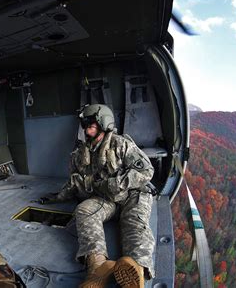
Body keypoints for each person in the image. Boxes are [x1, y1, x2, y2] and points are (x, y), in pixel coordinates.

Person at [39, 104, 156, 288]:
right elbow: (74, 182)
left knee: (133, 222)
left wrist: (116, 183)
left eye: (91, 125)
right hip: (106, 199)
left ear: (104, 124)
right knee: (84, 211)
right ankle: (98, 267)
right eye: (85, 125)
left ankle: (136, 270)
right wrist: (56, 196)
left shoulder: (121, 144)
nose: (86, 130)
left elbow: (147, 170)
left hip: (131, 195)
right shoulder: (79, 155)